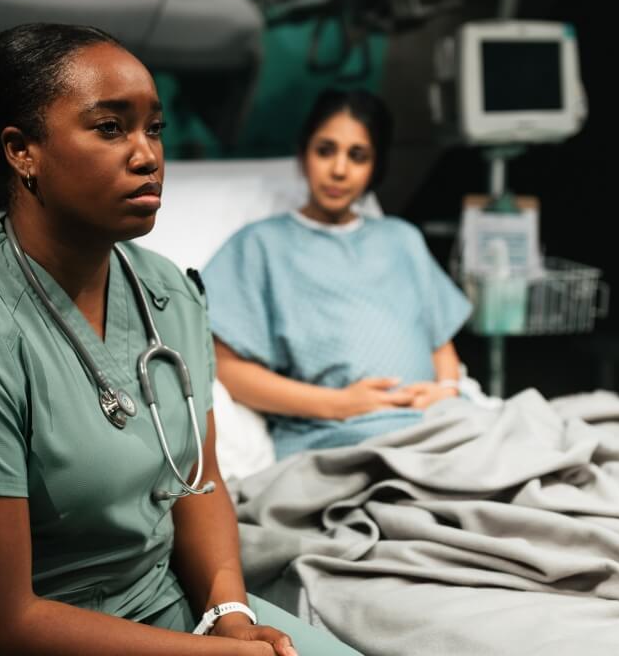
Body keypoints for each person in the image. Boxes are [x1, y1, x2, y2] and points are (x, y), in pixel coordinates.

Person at [0, 23, 357, 655]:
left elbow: (198, 482)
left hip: (162, 616)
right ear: (22, 151)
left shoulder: (170, 294)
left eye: (154, 127)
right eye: (110, 127)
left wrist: (229, 612)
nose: (147, 154)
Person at [202, 89, 473, 460]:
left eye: (357, 156)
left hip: (437, 421)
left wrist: (446, 391)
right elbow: (227, 369)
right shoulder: (260, 245)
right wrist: (340, 405)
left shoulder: (401, 239)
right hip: (336, 435)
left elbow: (439, 340)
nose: (339, 169)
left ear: (375, 168)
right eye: (325, 150)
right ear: (303, 154)